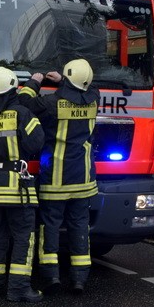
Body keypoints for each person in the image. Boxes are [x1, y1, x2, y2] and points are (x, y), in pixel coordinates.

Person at [18, 59, 100, 294]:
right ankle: (79, 279)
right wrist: (65, 80)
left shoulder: (53, 103)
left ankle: (51, 276)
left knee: (50, 227)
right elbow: (89, 88)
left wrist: (34, 82)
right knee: (79, 227)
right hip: (84, 180)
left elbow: (24, 103)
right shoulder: (95, 100)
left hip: (56, 180)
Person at [0, 67, 45, 301]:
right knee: (24, 238)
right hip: (18, 188)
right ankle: (18, 289)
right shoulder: (22, 114)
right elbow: (36, 143)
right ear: (13, 89)